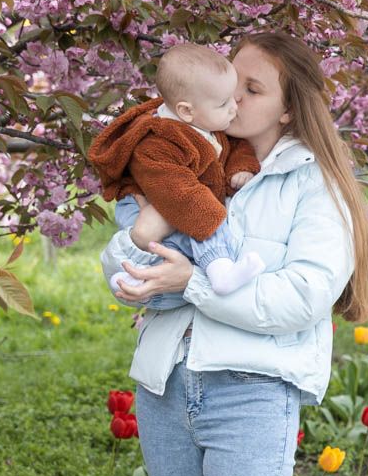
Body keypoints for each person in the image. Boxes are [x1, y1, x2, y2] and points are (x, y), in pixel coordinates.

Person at [99, 32, 368, 476]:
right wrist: (137, 253)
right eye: (230, 82)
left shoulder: (312, 184)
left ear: (286, 108)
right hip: (166, 386)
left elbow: (302, 296)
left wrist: (191, 283)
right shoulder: (184, 162)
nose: (233, 97)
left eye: (253, 89)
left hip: (250, 395)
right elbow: (120, 264)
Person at [89, 43, 265, 295]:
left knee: (193, 225)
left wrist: (241, 168)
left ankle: (138, 278)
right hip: (157, 203)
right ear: (186, 111)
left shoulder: (207, 122)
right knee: (204, 222)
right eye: (223, 103)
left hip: (178, 203)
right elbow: (173, 187)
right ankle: (220, 270)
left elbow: (235, 148)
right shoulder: (157, 141)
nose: (234, 107)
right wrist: (209, 212)